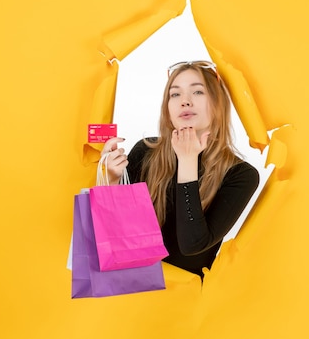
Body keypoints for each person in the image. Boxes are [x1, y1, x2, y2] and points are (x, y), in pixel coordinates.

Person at [101, 60, 259, 277]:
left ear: (218, 103)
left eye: (197, 92)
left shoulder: (241, 175)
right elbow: (123, 235)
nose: (185, 101)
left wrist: (187, 162)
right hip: (128, 294)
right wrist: (110, 180)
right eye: (175, 94)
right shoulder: (145, 151)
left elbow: (192, 246)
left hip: (183, 302)